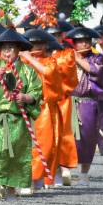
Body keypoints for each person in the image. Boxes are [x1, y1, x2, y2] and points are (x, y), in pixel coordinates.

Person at [0, 28, 43, 201]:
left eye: (11, 48)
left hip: (17, 119)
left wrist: (25, 97)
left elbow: (37, 92)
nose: (7, 52)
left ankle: (11, 187)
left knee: (15, 155)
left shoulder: (28, 71)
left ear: (18, 49)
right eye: (4, 48)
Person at [16, 28, 76, 193]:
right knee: (23, 144)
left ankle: (36, 179)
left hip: (44, 108)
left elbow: (48, 73)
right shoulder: (22, 61)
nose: (37, 47)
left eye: (40, 43)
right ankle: (25, 180)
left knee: (44, 145)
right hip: (24, 106)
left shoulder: (50, 61)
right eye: (33, 44)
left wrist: (29, 57)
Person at [69, 26, 103, 186]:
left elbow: (95, 71)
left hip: (88, 102)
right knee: (66, 138)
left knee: (88, 138)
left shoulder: (97, 58)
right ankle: (63, 172)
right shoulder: (67, 56)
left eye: (86, 41)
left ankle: (84, 174)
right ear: (74, 43)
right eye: (79, 41)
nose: (83, 44)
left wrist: (78, 60)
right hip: (69, 101)